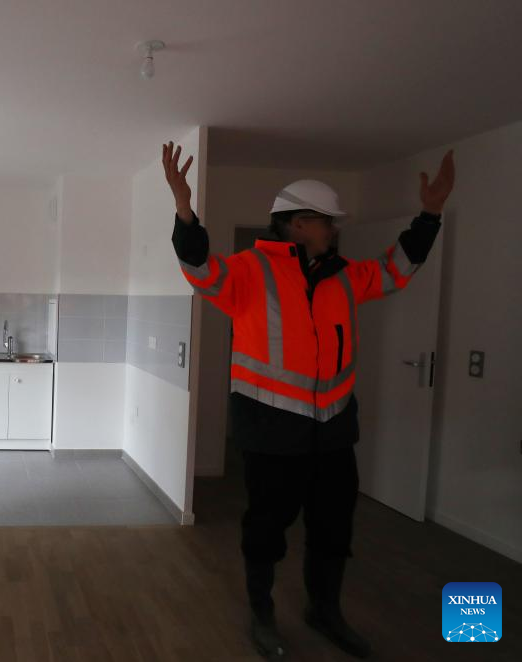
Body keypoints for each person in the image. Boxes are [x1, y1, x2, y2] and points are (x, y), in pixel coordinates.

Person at [162, 141, 455, 660]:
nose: (334, 230)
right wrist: (185, 210)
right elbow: (199, 267)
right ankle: (262, 614)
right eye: (327, 222)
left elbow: (397, 268)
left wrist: (429, 215)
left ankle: (325, 611)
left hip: (334, 431)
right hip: (271, 430)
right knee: (266, 529)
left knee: (333, 529)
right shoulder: (250, 270)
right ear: (298, 223)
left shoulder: (345, 275)